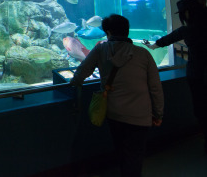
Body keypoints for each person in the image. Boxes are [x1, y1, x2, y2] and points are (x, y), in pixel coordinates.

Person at [70, 14, 163, 177]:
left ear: (108, 32)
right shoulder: (143, 54)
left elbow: (81, 73)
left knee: (121, 150)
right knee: (135, 154)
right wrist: (158, 113)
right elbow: (155, 87)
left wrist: (73, 83)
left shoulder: (100, 49)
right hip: (141, 114)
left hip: (115, 113)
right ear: (127, 31)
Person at [146, 0, 207, 152]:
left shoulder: (186, 30)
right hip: (198, 73)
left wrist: (151, 45)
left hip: (197, 74)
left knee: (201, 108)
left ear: (186, 13)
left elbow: (163, 41)